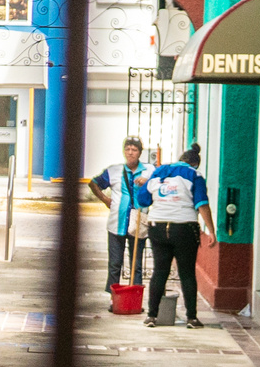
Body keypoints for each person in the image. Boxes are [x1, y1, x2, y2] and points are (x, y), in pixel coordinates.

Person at [138, 142, 215, 328]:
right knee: (187, 273)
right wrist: (211, 230)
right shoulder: (195, 174)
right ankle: (192, 318)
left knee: (159, 271)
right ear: (195, 163)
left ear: (181, 159)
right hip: (184, 228)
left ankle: (151, 316)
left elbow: (142, 199)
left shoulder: (159, 172)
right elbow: (201, 204)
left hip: (157, 226)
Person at [87, 136, 147, 294]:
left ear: (140, 153)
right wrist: (105, 199)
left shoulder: (149, 171)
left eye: (134, 150)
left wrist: (147, 182)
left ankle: (135, 295)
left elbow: (159, 185)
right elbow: (93, 183)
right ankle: (114, 298)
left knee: (136, 264)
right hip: (116, 223)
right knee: (114, 263)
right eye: (127, 149)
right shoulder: (113, 171)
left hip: (138, 223)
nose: (130, 153)